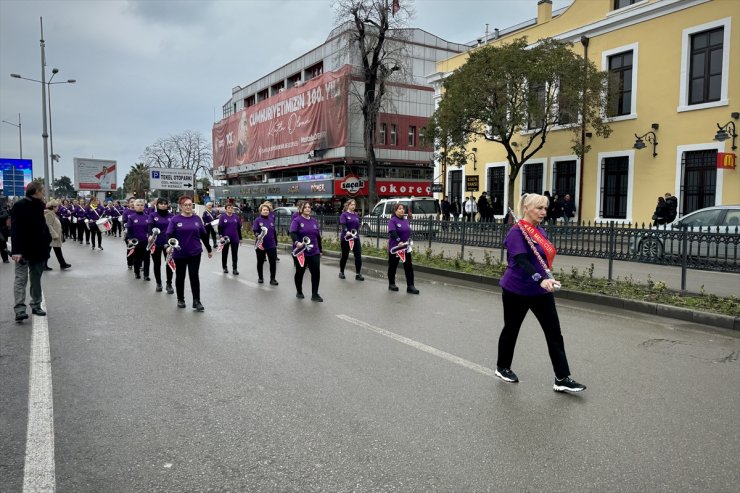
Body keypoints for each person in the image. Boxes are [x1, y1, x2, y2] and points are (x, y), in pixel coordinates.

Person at [495, 193, 586, 393]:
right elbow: (522, 260)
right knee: (511, 329)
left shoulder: (539, 231)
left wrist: (547, 278)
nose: (544, 212)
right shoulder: (516, 232)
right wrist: (540, 279)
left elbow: (541, 259)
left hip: (541, 292)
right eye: (539, 208)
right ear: (526, 208)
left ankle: (562, 377)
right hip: (517, 289)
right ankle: (502, 367)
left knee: (554, 333)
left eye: (545, 208)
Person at [10, 181, 52, 322]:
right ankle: (20, 309)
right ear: (36, 191)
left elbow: (41, 226)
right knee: (21, 279)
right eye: (42, 190)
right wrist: (16, 251)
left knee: (36, 279)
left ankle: (36, 304)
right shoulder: (20, 205)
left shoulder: (40, 205)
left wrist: (47, 239)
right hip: (23, 250)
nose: (44, 193)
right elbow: (15, 229)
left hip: (38, 249)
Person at [166, 196, 213, 311]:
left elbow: (203, 235)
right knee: (180, 276)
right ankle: (180, 299)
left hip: (195, 252)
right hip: (180, 253)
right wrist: (168, 246)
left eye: (190, 204)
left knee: (194, 276)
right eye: (185, 205)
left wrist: (209, 248)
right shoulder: (175, 219)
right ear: (181, 207)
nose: (188, 207)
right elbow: (169, 235)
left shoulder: (197, 219)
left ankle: (196, 301)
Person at [289, 201, 323, 302]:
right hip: (301, 252)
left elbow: (318, 236)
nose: (308, 209)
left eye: (309, 207)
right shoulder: (297, 220)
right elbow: (293, 232)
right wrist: (296, 242)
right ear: (300, 209)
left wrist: (320, 250)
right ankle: (299, 291)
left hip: (314, 251)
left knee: (316, 272)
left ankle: (315, 294)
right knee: (300, 272)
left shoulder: (314, 221)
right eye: (305, 207)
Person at [387, 203, 419, 294]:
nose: (402, 210)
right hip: (396, 248)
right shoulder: (392, 221)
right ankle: (391, 284)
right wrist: (398, 240)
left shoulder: (405, 220)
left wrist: (408, 240)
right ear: (395, 210)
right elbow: (392, 232)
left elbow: (408, 232)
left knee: (408, 266)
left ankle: (410, 286)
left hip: (405, 247)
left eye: (403, 209)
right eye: (399, 209)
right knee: (393, 266)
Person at [149, 197, 174, 293]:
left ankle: (169, 284)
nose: (163, 205)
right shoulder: (152, 215)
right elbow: (150, 227)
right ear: (157, 205)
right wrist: (150, 236)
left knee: (169, 263)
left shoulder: (172, 216)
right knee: (157, 263)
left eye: (165, 203)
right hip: (156, 243)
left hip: (168, 243)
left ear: (168, 205)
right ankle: (158, 283)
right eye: (161, 203)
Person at [252, 202, 279, 285]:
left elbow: (273, 232)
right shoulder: (257, 220)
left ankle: (273, 279)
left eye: (267, 210)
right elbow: (255, 231)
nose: (265, 211)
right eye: (264, 210)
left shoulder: (271, 220)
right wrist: (258, 235)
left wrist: (276, 241)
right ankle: (260, 277)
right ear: (261, 211)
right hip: (261, 245)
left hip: (271, 244)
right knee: (260, 262)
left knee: (273, 262)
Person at [338, 198, 364, 281]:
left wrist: (356, 233)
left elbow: (357, 226)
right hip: (346, 238)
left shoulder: (356, 215)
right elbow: (343, 225)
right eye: (351, 205)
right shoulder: (344, 215)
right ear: (348, 205)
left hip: (355, 238)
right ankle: (341, 272)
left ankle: (358, 274)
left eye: (354, 205)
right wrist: (347, 232)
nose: (353, 206)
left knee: (358, 256)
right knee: (345, 256)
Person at [126, 199, 151, 280]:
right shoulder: (131, 217)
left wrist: (150, 236)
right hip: (136, 241)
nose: (140, 207)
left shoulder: (148, 217)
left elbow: (150, 229)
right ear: (134, 206)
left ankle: (146, 275)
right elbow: (129, 229)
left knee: (147, 258)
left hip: (146, 241)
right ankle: (137, 273)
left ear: (144, 206)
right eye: (138, 205)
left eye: (141, 205)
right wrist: (130, 239)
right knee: (137, 258)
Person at [43, 200, 71, 271]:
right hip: (51, 237)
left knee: (57, 250)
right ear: (53, 207)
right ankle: (44, 265)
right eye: (57, 207)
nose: (58, 208)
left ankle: (63, 264)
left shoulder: (52, 213)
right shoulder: (49, 214)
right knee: (47, 251)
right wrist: (54, 234)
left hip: (55, 236)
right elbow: (48, 225)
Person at [217, 202, 242, 275]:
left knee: (235, 254)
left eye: (231, 208)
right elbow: (220, 228)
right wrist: (221, 236)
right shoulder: (222, 217)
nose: (230, 209)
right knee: (224, 254)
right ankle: (224, 267)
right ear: (226, 209)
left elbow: (238, 229)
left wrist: (240, 238)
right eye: (229, 208)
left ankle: (235, 269)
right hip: (225, 239)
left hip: (235, 238)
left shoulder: (236, 217)